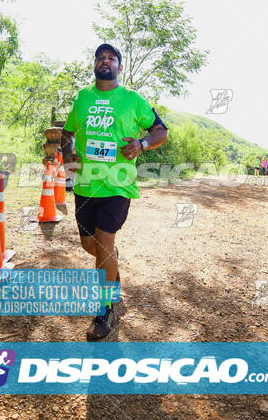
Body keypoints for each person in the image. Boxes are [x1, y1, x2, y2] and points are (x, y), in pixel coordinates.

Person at [61, 43, 168, 340]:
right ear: (95, 65)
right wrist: (69, 155)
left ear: (120, 67)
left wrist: (142, 144)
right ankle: (112, 265)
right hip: (85, 183)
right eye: (100, 57)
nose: (105, 61)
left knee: (105, 243)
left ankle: (104, 310)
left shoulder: (133, 100)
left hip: (118, 184)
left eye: (111, 58)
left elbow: (161, 131)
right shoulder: (83, 98)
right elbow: (67, 133)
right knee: (89, 245)